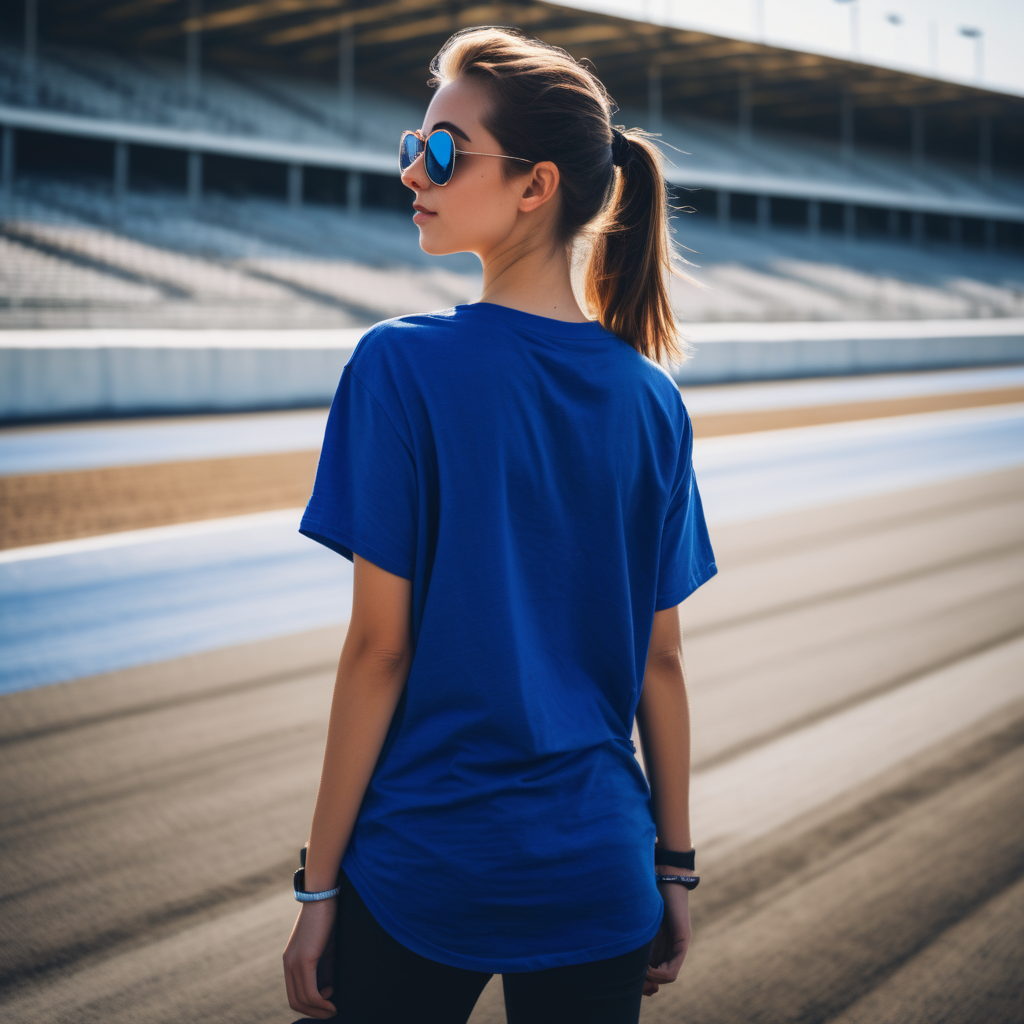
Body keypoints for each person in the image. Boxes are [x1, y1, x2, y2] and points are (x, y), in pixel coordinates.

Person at [282, 25, 717, 1024]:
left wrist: (317, 889)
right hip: (603, 868)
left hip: (426, 866)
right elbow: (662, 665)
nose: (412, 172)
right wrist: (676, 869)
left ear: (534, 185)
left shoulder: (397, 365)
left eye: (440, 151)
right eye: (411, 144)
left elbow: (377, 651)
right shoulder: (654, 400)